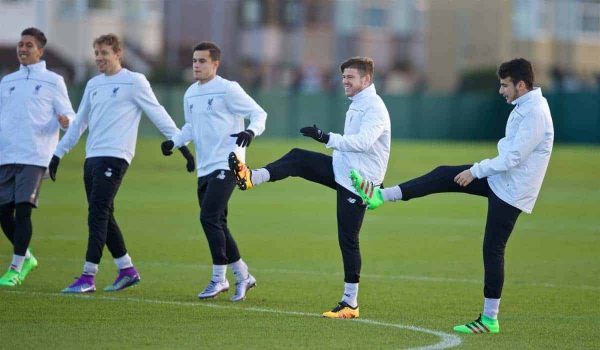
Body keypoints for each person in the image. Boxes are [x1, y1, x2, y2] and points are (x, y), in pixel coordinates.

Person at [351, 58, 554, 333]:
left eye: (505, 85)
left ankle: (489, 320)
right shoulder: (525, 106)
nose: (501, 90)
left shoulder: (535, 112)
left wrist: (475, 171)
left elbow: (514, 158)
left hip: (513, 191)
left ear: (521, 85)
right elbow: (509, 157)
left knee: (493, 248)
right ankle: (380, 196)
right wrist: (478, 171)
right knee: (444, 174)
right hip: (500, 179)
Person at [229, 57, 390, 317]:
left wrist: (326, 137)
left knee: (348, 238)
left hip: (362, 183)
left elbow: (364, 142)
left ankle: (351, 303)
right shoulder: (359, 102)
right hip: (345, 170)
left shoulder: (374, 107)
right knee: (297, 158)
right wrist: (328, 141)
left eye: (350, 77)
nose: (344, 81)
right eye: (343, 77)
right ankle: (250, 177)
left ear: (366, 80)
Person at [49, 33, 194, 293]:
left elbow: (158, 113)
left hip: (116, 157)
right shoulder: (94, 84)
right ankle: (126, 269)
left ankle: (88, 276)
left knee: (97, 214)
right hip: (92, 158)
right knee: (104, 214)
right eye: (96, 53)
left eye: (104, 53)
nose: (99, 58)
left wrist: (181, 146)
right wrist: (58, 153)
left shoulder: (134, 82)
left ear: (118, 54)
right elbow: (79, 123)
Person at [161, 42, 267, 302]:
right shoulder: (190, 93)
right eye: (195, 61)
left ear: (215, 64)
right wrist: (174, 142)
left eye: (202, 61)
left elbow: (259, 113)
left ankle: (219, 278)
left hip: (228, 164)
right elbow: (190, 126)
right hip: (205, 167)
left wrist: (250, 132)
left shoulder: (228, 89)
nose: (196, 65)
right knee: (218, 221)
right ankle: (243, 276)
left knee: (208, 217)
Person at [0, 28, 75, 287]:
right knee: (2, 213)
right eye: (20, 44)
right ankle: (28, 257)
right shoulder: (7, 82)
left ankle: (16, 267)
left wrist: (66, 122)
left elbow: (70, 116)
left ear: (40, 51)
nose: (22, 49)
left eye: (28, 45)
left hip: (35, 155)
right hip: (7, 155)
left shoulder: (53, 81)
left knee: (23, 210)